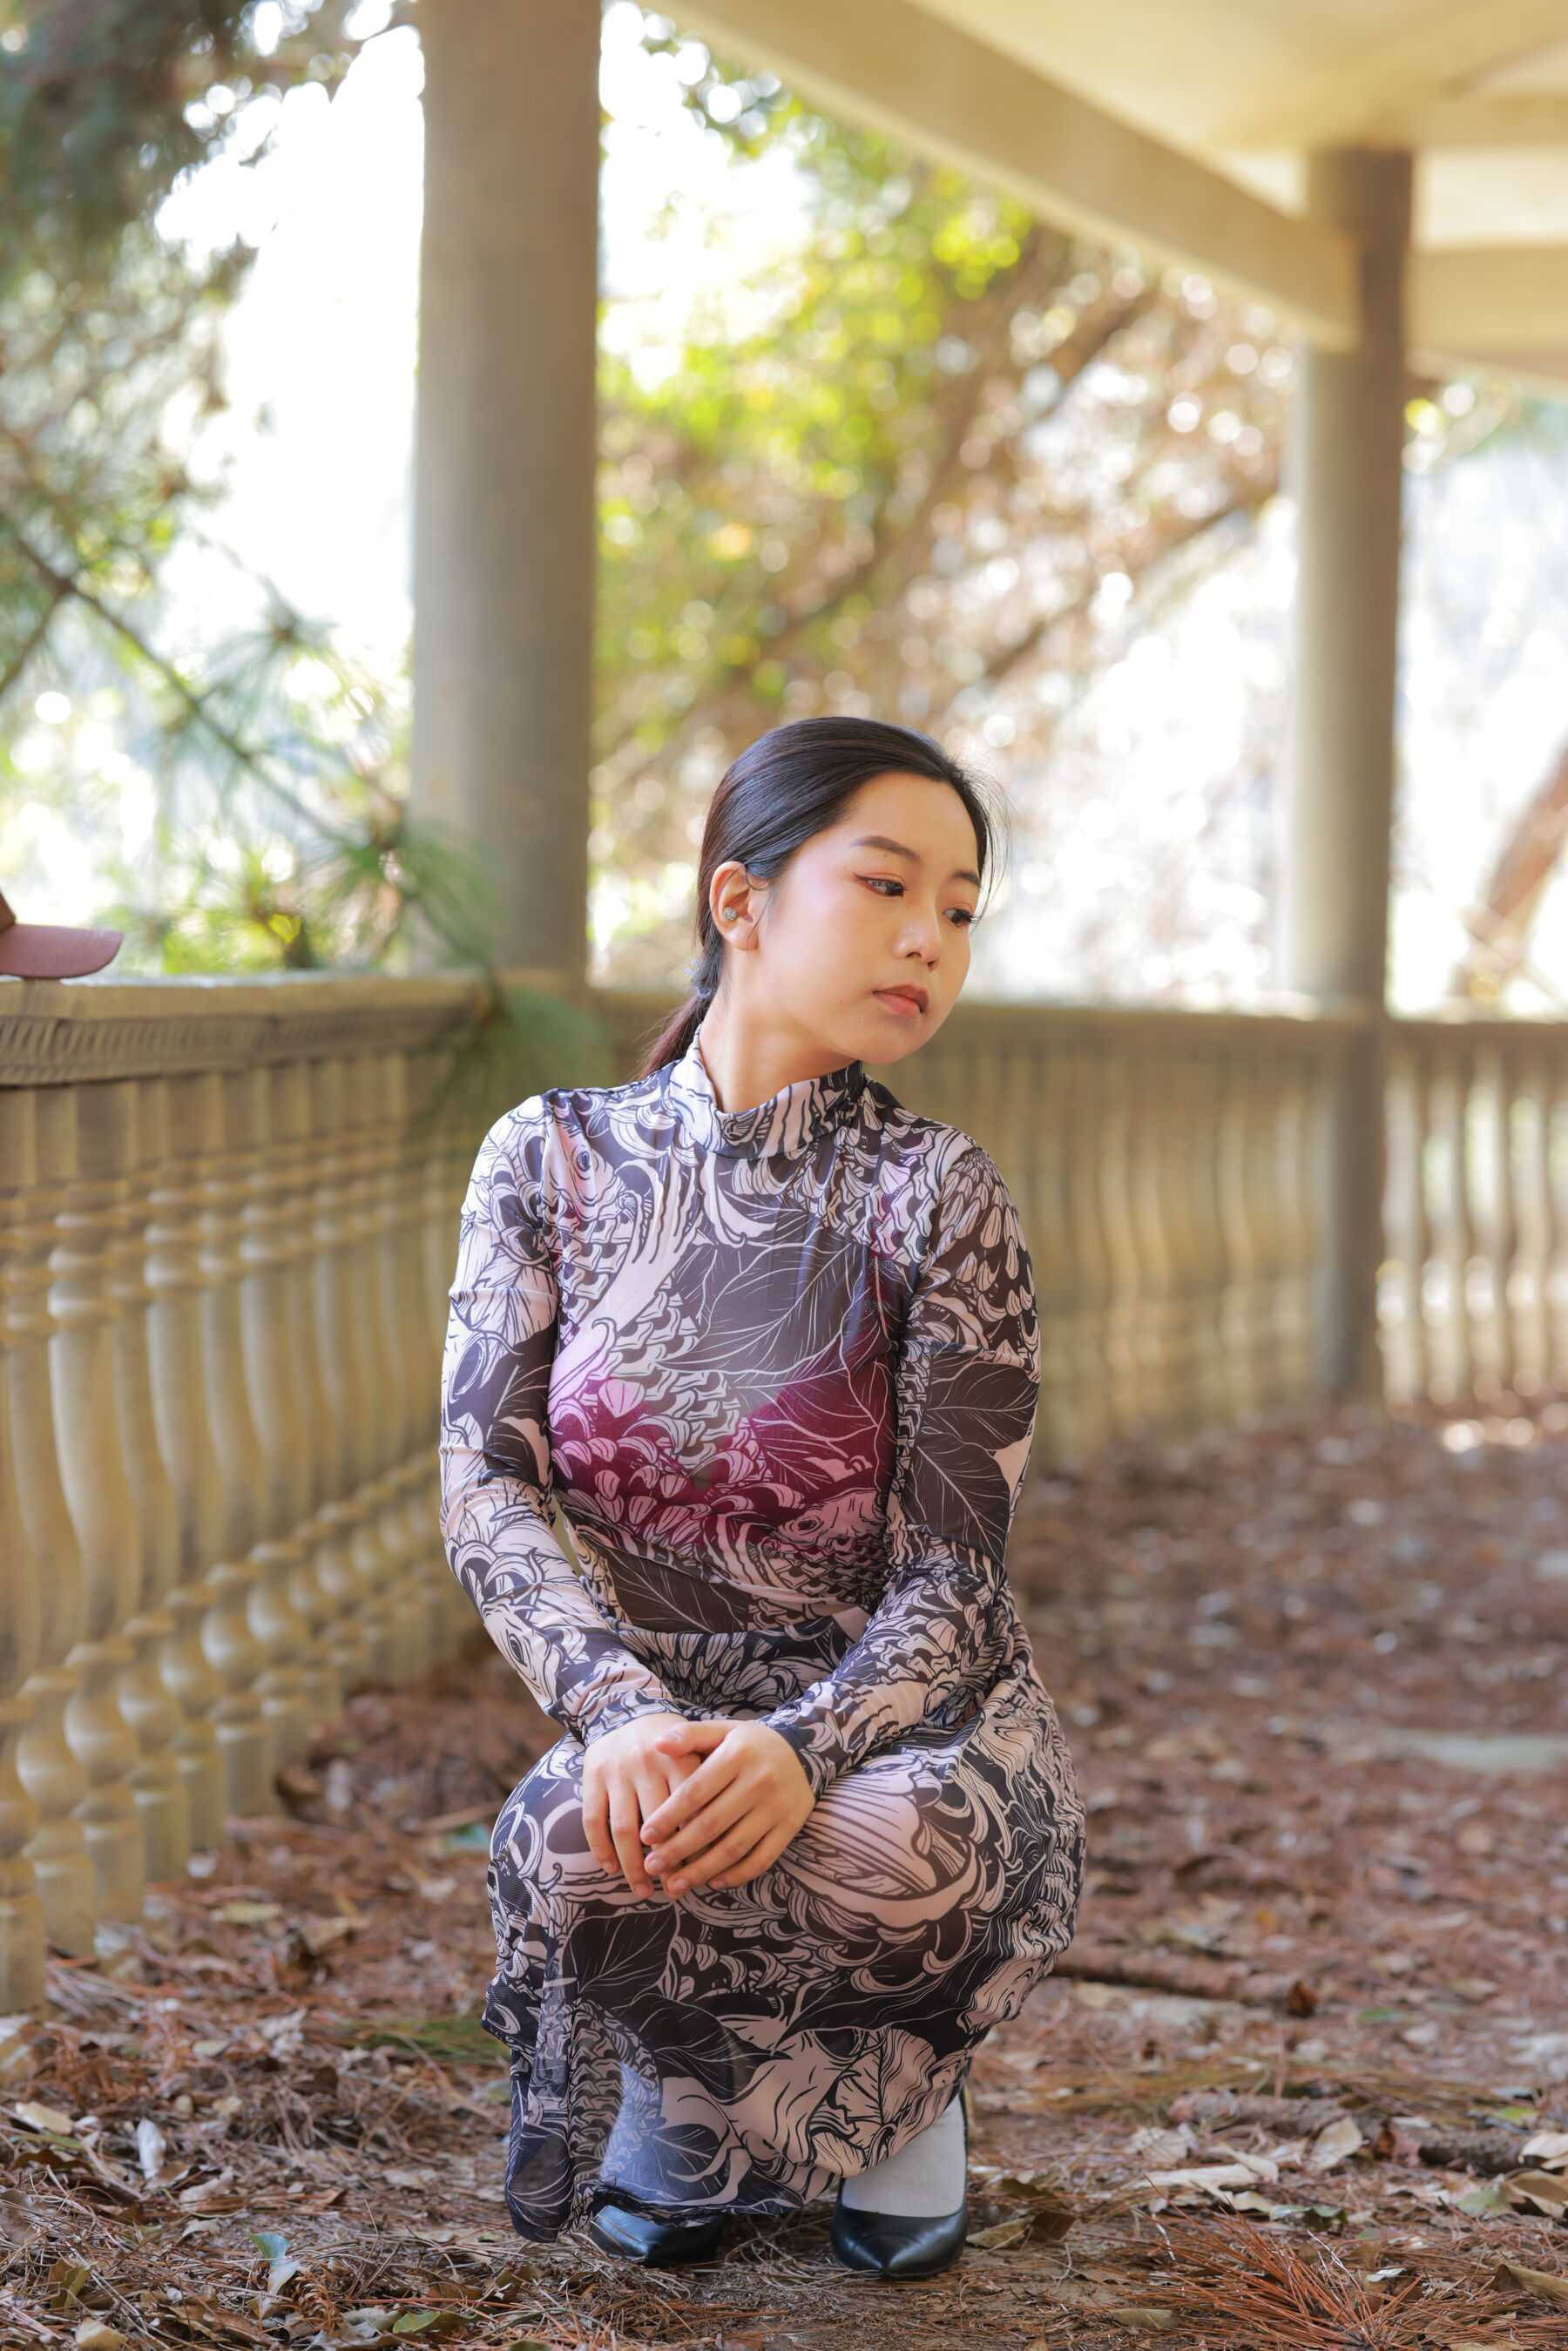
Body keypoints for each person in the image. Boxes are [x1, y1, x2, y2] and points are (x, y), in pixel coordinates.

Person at [437, 715, 1086, 2276]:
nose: (929, 940)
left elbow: (955, 1579)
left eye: (959, 911)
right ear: (741, 899)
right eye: (887, 886)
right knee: (568, 1838)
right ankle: (687, 2081)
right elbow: (485, 1483)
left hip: (902, 1728)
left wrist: (803, 1748)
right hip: (659, 1718)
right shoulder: (553, 1161)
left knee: (892, 1850)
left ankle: (895, 2079)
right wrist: (617, 1715)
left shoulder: (938, 1194)